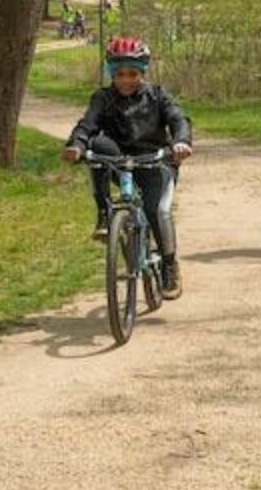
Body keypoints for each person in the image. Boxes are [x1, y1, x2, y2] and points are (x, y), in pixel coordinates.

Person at [61, 36, 193, 299]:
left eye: (132, 74)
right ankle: (104, 214)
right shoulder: (102, 97)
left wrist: (180, 142)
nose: (125, 80)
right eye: (119, 74)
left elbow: (178, 119)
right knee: (97, 146)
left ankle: (169, 265)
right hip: (119, 162)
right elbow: (87, 125)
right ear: (111, 73)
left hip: (155, 162)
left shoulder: (158, 95)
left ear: (142, 73)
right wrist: (76, 145)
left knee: (157, 210)